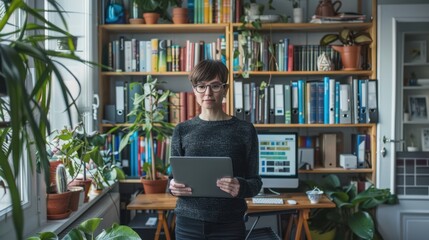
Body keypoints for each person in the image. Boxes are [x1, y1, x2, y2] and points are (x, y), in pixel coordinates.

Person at [168, 59, 262, 240]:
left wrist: (240, 187)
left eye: (215, 86)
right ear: (194, 90)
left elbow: (255, 183)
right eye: (201, 86)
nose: (208, 93)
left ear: (225, 89)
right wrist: (172, 187)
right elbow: (173, 181)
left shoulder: (245, 130)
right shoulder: (182, 130)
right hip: (188, 224)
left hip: (230, 224)